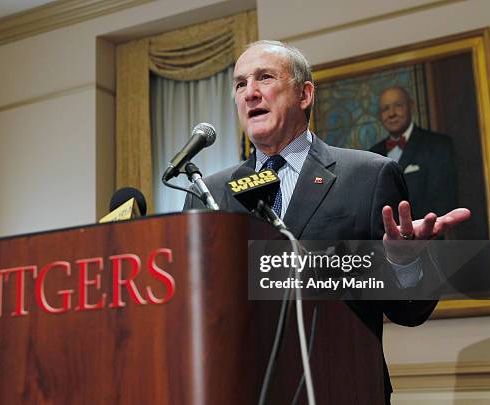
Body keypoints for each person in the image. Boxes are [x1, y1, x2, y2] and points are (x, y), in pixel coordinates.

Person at [183, 40, 470, 403]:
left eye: (264, 78)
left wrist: (404, 262)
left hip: (343, 386)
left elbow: (409, 312)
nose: (250, 93)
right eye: (240, 84)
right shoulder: (208, 193)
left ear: (304, 95)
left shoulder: (368, 175)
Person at [370, 86, 458, 219]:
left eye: (398, 105)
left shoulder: (438, 145)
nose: (391, 113)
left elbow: (445, 201)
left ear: (411, 106)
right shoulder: (372, 155)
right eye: (385, 109)